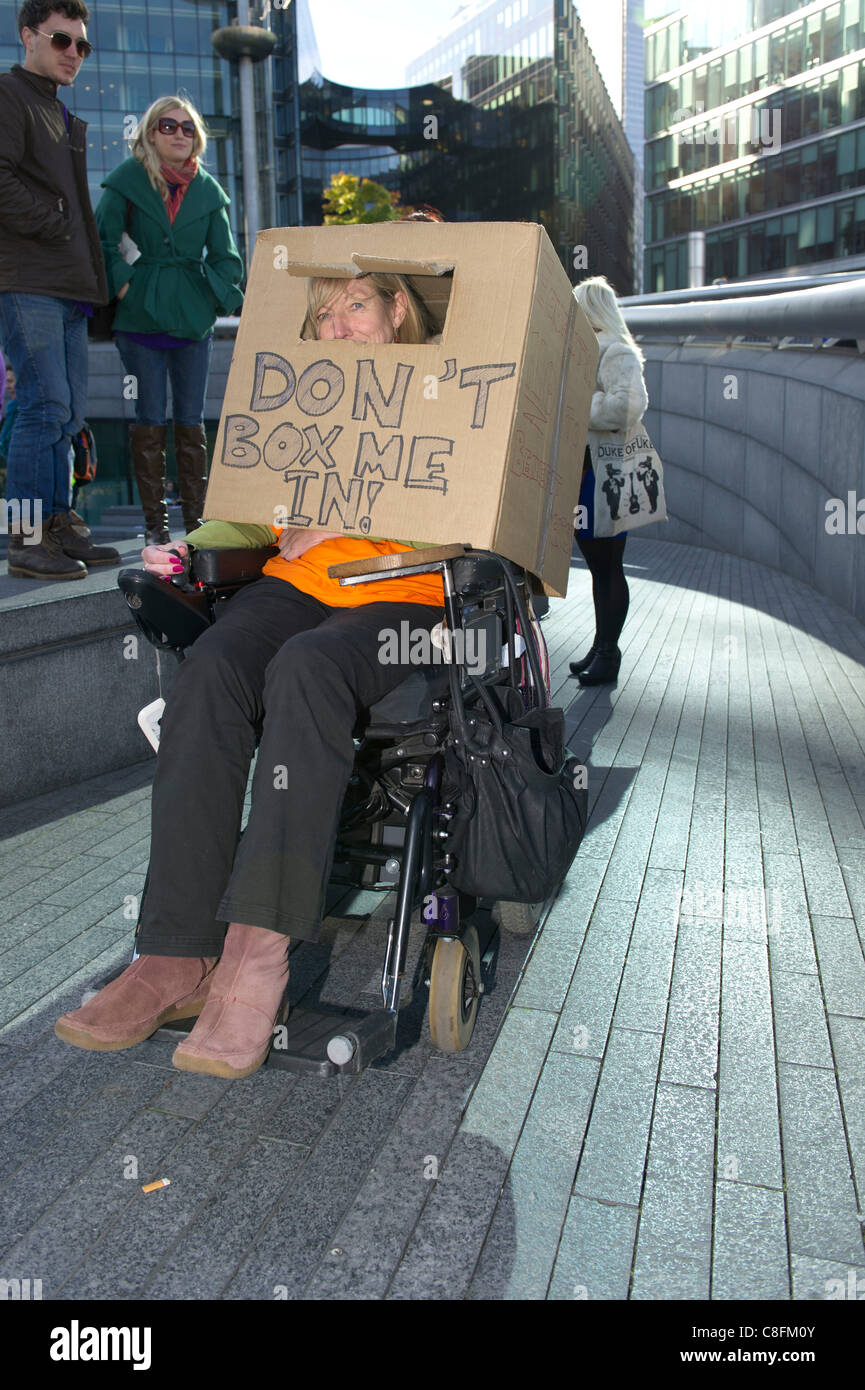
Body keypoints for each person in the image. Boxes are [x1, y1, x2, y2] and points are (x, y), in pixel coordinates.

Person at [55, 272, 446, 1080]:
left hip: (406, 592)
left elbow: (472, 521)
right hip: (300, 583)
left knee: (305, 669)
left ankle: (253, 961)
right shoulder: (309, 400)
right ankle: (172, 954)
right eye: (323, 310)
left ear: (397, 308)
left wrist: (346, 509)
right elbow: (261, 513)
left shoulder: (452, 393)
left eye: (356, 305)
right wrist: (192, 544)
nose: (336, 323)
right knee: (210, 670)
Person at [0, 1, 120, 579]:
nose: (73, 54)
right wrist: (51, 221)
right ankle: (25, 540)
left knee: (67, 413)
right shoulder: (9, 95)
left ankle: (57, 525)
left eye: (81, 45)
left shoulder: (56, 110)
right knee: (42, 407)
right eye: (61, 41)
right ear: (28, 36)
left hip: (70, 289)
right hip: (28, 281)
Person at [95, 95, 244, 544]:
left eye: (187, 127)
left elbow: (226, 258)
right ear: (150, 134)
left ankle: (196, 527)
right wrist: (125, 287)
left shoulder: (209, 191)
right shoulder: (127, 180)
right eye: (167, 126)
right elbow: (100, 241)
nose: (179, 134)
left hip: (191, 321)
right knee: (149, 418)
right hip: (140, 319)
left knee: (191, 422)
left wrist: (213, 299)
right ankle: (155, 530)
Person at [569, 275, 648, 686]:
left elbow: (627, 408)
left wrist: (581, 400)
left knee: (608, 567)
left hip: (607, 477)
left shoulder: (615, 351)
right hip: (588, 475)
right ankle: (601, 646)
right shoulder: (588, 352)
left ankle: (608, 653)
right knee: (599, 567)